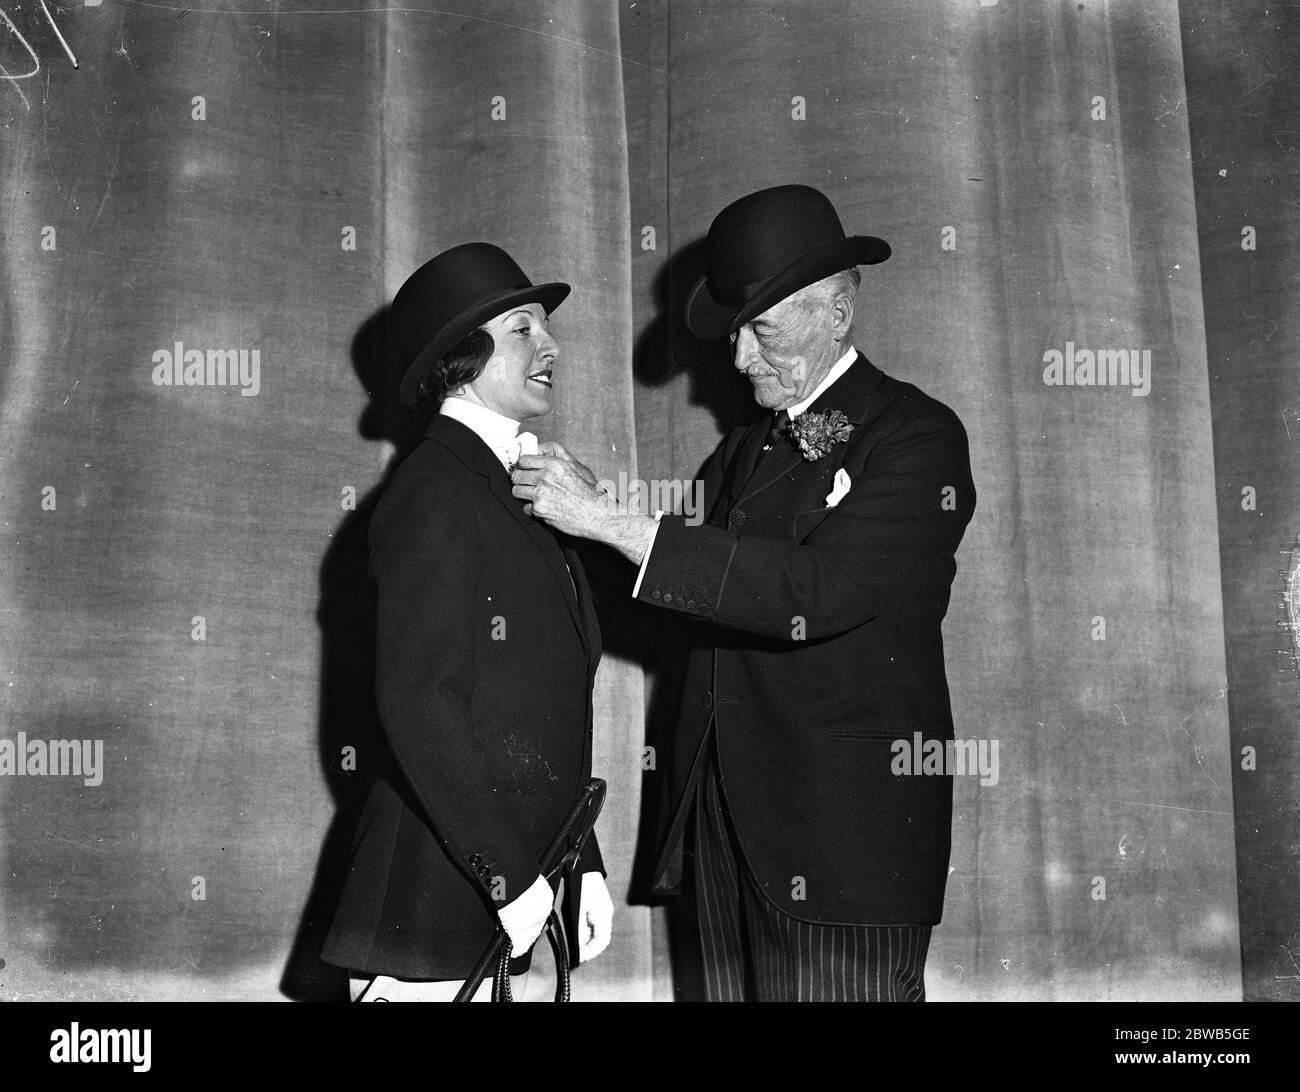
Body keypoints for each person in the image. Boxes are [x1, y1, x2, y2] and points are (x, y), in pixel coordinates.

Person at [512, 185, 976, 1001]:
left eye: (762, 329)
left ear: (837, 312)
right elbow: (683, 603)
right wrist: (564, 529)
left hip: (845, 844)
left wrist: (613, 522)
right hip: (726, 833)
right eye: (736, 332)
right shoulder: (741, 454)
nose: (738, 359)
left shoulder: (916, 437)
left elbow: (818, 591)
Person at [321, 242, 613, 1001]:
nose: (551, 346)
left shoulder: (516, 487)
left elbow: (535, 718)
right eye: (524, 329)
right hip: (430, 905)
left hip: (487, 899)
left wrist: (578, 866)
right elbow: (421, 702)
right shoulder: (434, 491)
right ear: (463, 356)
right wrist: (513, 880)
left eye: (546, 327)